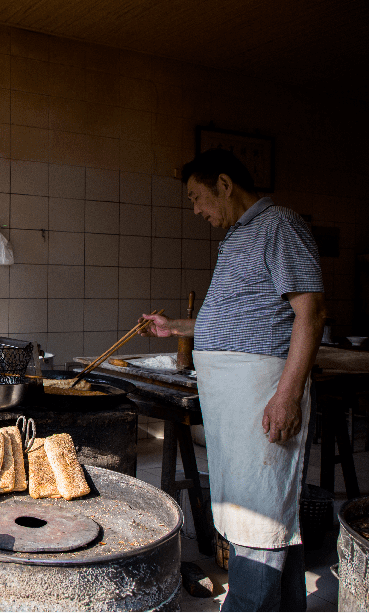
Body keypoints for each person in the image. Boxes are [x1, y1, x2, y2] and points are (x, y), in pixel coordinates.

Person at [141, 149, 325, 611]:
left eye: (198, 198)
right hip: (234, 397)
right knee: (254, 507)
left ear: (224, 184)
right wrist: (177, 328)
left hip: (262, 390)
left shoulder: (279, 224)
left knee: (260, 508)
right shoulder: (238, 236)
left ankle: (247, 603)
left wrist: (287, 396)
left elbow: (311, 312)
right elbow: (242, 318)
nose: (197, 210)